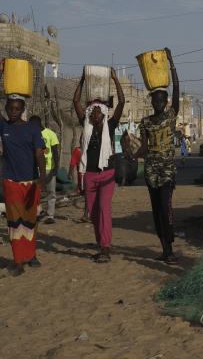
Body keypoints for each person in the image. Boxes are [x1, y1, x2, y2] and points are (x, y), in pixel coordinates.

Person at [0, 59, 46, 276]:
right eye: (10, 108)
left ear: (23, 109)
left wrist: (42, 177)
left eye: (16, 108)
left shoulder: (32, 128)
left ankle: (31, 255)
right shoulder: (3, 125)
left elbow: (39, 154)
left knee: (30, 221)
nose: (13, 111)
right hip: (11, 181)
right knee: (15, 222)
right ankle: (18, 260)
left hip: (31, 182)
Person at [73, 67, 125, 262]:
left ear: (103, 113)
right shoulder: (86, 126)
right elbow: (76, 101)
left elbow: (122, 102)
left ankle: (105, 248)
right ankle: (101, 242)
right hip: (90, 175)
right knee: (94, 213)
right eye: (92, 111)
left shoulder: (110, 126)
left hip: (107, 174)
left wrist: (115, 78)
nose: (94, 114)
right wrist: (82, 78)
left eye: (97, 111)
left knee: (104, 209)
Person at [136, 48, 180, 263]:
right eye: (156, 101)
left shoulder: (171, 116)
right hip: (151, 172)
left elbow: (178, 90)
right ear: (152, 102)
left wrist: (171, 63)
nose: (159, 104)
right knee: (156, 211)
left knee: (165, 207)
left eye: (162, 101)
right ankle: (164, 247)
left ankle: (170, 246)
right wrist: (132, 155)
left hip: (168, 172)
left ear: (166, 101)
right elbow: (144, 147)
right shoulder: (145, 122)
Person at [30, 116, 59, 225]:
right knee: (36, 192)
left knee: (51, 192)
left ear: (38, 124)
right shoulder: (31, 135)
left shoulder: (51, 134)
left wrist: (55, 169)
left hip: (48, 168)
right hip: (35, 169)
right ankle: (38, 213)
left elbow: (55, 152)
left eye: (32, 125)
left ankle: (50, 215)